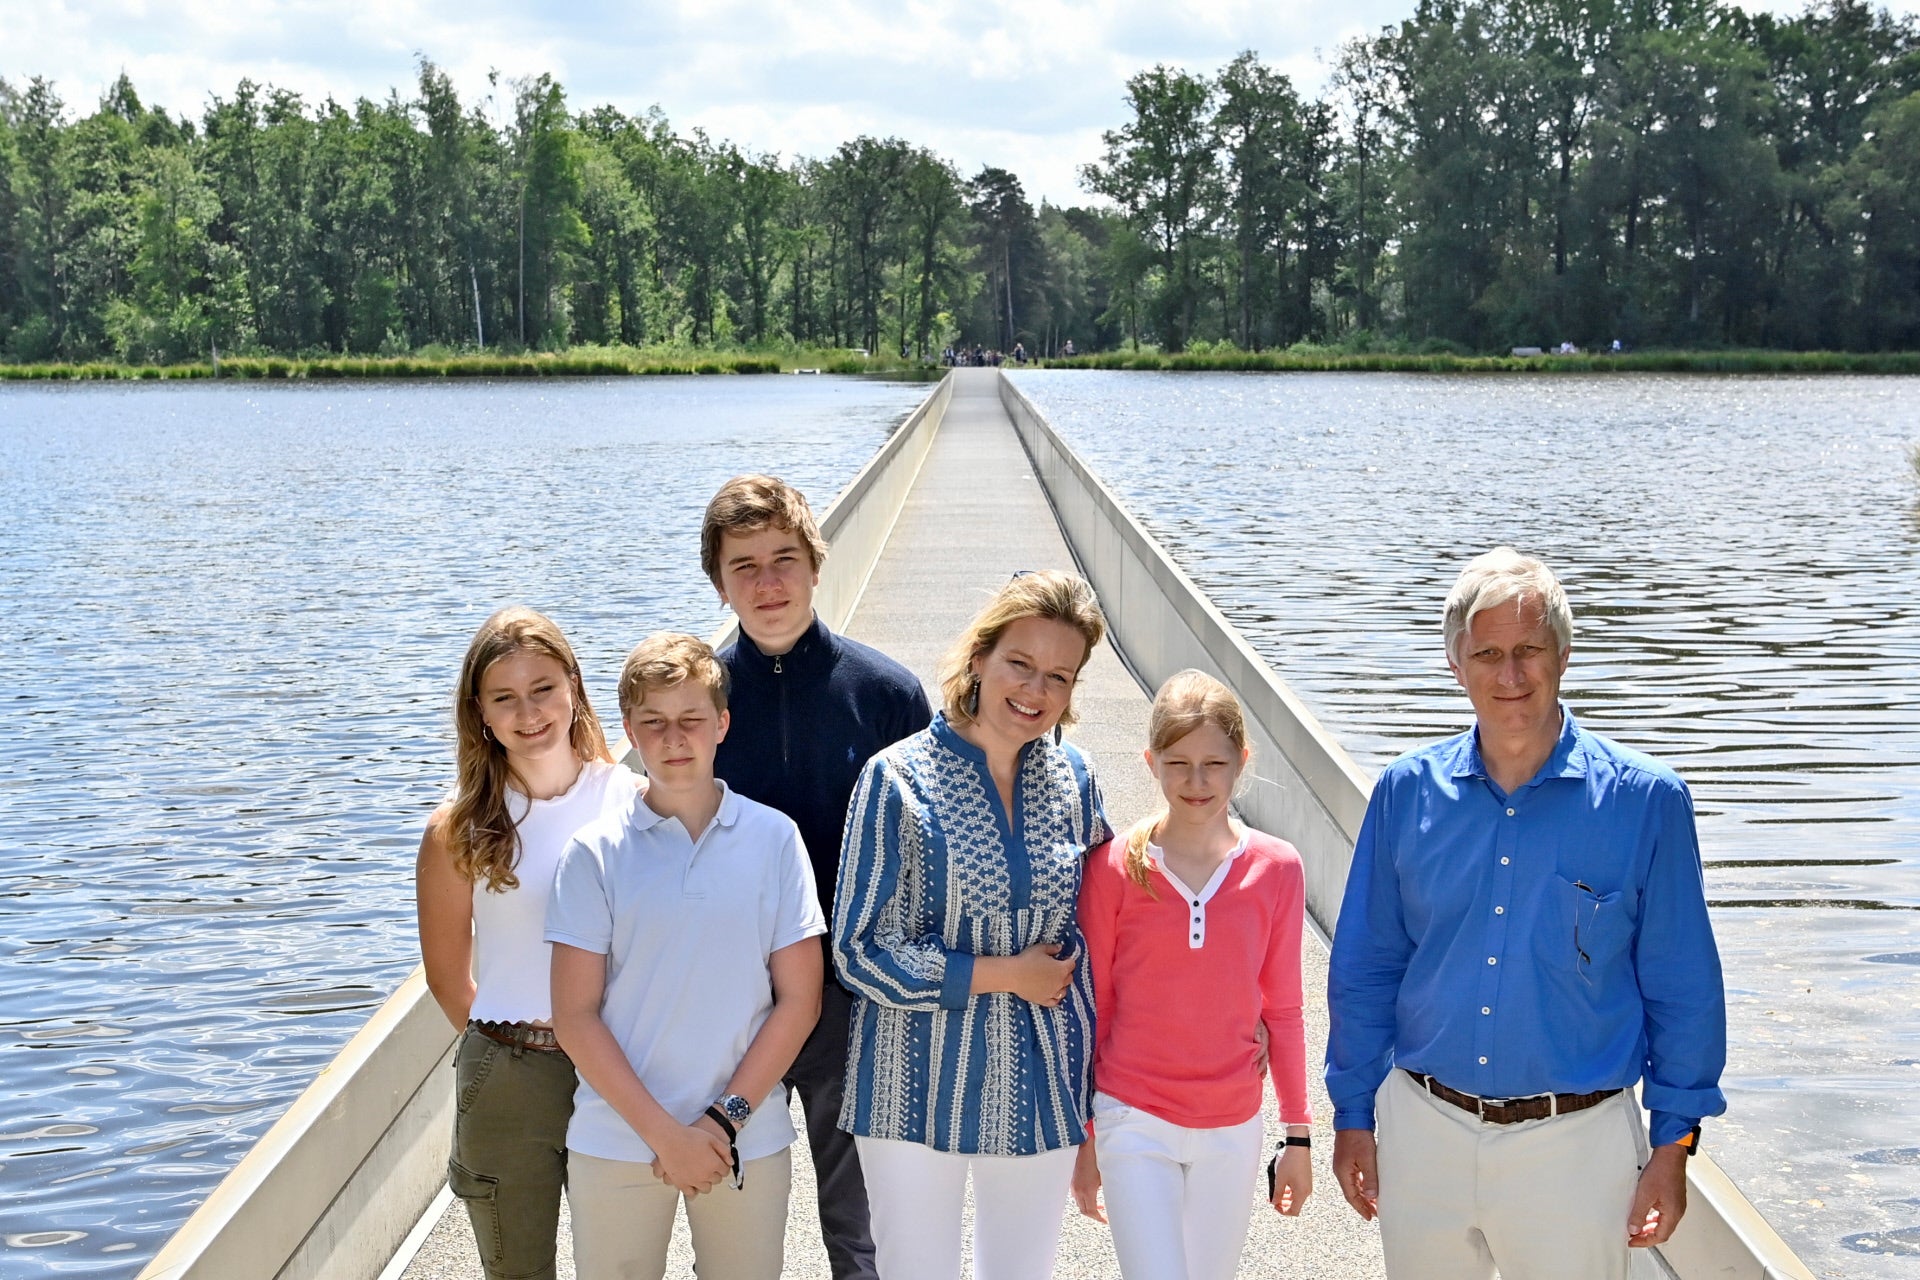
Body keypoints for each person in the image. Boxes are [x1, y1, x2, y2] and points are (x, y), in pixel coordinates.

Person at [1325, 548, 1726, 1280]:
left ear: (1563, 656)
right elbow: (1366, 968)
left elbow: (1684, 992)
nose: (1510, 675)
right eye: (1488, 654)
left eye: (1529, 650)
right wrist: (1353, 1114)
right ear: (1456, 665)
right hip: (1424, 1134)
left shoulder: (1646, 803)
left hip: (1576, 1148)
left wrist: (1674, 1147)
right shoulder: (1405, 795)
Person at [833, 570, 1111, 1280]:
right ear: (980, 657)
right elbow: (859, 952)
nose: (1035, 690)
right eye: (1020, 663)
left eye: (1059, 676)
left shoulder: (1076, 780)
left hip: (1039, 1080)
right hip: (908, 1084)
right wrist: (1005, 974)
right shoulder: (895, 779)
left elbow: (1113, 926)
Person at [702, 474, 932, 1279]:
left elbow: (928, 862)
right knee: (729, 1226)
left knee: (860, 1233)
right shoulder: (696, 704)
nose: (767, 584)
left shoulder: (887, 696)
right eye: (744, 566)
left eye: (784, 560)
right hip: (731, 1002)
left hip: (855, 1004)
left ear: (815, 565)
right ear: (718, 581)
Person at [547, 632, 825, 1280]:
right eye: (654, 723)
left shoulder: (774, 839)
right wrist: (667, 1136)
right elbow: (575, 1016)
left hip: (746, 1134)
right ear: (630, 732)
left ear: (722, 724)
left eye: (691, 720)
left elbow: (800, 1000)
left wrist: (721, 1123)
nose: (674, 739)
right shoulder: (593, 854)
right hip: (616, 1137)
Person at [414, 606, 640, 1280]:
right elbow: (447, 980)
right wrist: (519, 1050)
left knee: (624, 1267)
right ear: (480, 713)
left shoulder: (635, 801)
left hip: (621, 1065)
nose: (529, 712)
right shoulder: (458, 828)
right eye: (504, 698)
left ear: (574, 686)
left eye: (543, 688)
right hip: (511, 1075)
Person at [1072, 669, 1313, 1279]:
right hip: (1133, 1117)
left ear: (1241, 762)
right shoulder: (1112, 868)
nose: (1196, 782)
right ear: (1150, 762)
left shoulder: (1278, 869)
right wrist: (1087, 1134)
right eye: (1178, 763)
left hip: (1232, 1125)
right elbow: (1094, 1007)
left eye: (1214, 764)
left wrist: (1298, 1135)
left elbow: (1283, 1008)